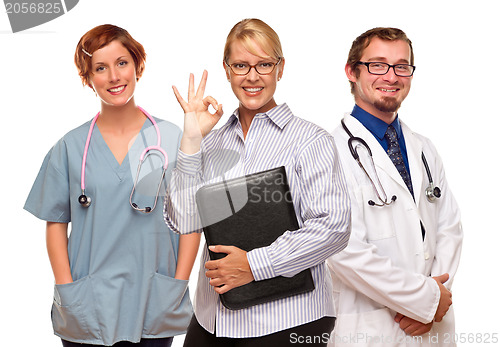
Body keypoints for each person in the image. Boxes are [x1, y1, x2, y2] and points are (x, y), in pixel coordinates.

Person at [163, 18, 351, 346]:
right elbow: (182, 221)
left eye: (264, 64)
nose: (252, 76)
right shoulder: (212, 143)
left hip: (290, 321)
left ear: (280, 68)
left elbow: (333, 227)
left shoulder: (310, 141)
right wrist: (191, 141)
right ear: (227, 69)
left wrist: (254, 265)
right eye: (241, 65)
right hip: (212, 322)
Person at [24, 24, 197, 346]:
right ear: (87, 78)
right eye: (100, 68)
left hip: (153, 298)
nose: (114, 76)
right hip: (88, 303)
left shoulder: (173, 138)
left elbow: (191, 222)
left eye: (122, 63)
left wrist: (178, 284)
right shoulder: (70, 147)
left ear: (137, 65)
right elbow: (55, 224)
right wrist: (67, 289)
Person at [326, 27, 463, 346]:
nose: (391, 76)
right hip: (372, 330)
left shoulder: (424, 148)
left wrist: (435, 301)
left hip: (432, 329)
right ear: (352, 71)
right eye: (377, 64)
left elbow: (450, 229)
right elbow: (343, 248)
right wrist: (423, 300)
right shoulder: (328, 153)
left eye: (402, 66)